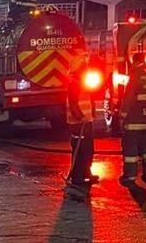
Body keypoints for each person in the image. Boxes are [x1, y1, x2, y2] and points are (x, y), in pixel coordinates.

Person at [120, 52, 146, 184]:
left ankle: (130, 176)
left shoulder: (135, 74)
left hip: (135, 120)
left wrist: (122, 116)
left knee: (130, 148)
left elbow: (128, 97)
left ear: (134, 61)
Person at [64, 54, 100, 200]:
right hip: (78, 123)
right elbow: (73, 104)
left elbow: (90, 98)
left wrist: (91, 113)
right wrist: (81, 117)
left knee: (89, 150)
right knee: (80, 151)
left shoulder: (82, 82)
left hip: (86, 121)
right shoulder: (74, 84)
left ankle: (86, 172)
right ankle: (77, 176)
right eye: (83, 67)